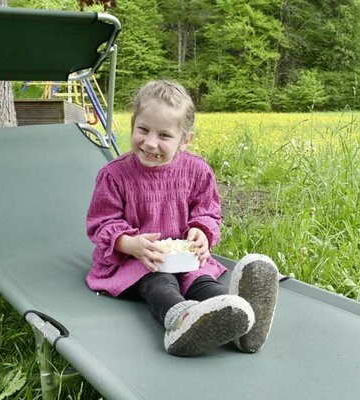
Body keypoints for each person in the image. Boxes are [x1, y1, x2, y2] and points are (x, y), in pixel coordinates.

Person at [86, 79, 279, 357]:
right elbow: (101, 223)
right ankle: (181, 322)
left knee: (201, 282)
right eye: (143, 130)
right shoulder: (115, 175)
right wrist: (129, 244)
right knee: (159, 283)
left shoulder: (197, 171)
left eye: (164, 136)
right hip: (138, 261)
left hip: (185, 258)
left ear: (184, 140)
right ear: (132, 125)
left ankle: (243, 320)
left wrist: (202, 231)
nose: (150, 142)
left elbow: (208, 212)